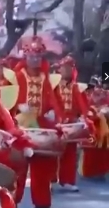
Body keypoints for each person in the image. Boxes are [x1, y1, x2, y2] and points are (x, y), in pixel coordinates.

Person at [4, 38, 62, 208]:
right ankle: (11, 202)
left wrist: (54, 114)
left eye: (38, 57)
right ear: (26, 57)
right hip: (20, 129)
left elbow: (55, 102)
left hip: (42, 129)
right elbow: (5, 101)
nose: (35, 60)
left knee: (41, 171)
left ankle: (42, 203)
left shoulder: (48, 79)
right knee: (17, 170)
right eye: (32, 56)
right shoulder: (16, 77)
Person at [54, 55, 88, 193]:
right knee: (51, 152)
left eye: (69, 67)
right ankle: (48, 180)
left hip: (71, 123)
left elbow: (83, 105)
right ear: (60, 69)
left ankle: (67, 181)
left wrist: (84, 118)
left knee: (70, 153)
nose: (66, 70)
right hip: (55, 123)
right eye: (64, 67)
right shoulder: (53, 85)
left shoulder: (77, 87)